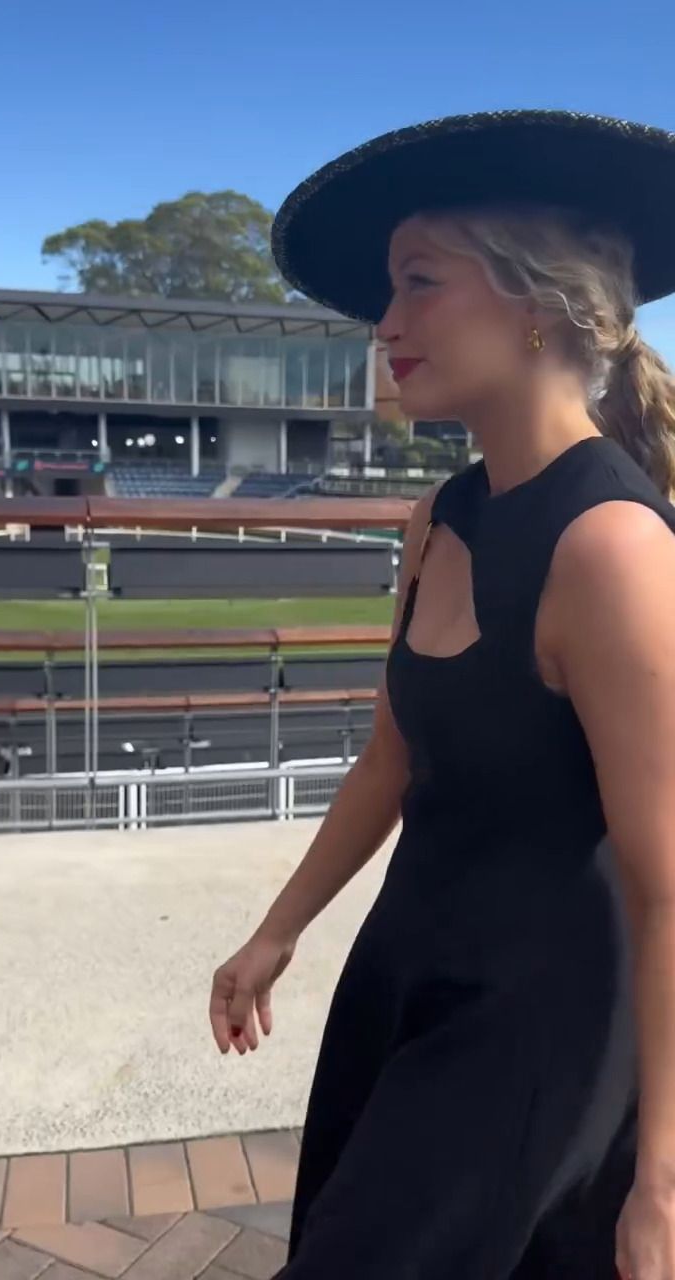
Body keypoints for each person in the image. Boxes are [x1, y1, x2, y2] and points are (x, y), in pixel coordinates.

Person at [209, 110, 675, 1278]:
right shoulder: (439, 518)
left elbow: (670, 885)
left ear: (538, 304)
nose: (386, 323)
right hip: (406, 976)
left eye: (418, 282)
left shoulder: (612, 549)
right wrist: (278, 930)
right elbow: (392, 758)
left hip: (536, 1026)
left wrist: (663, 1176)